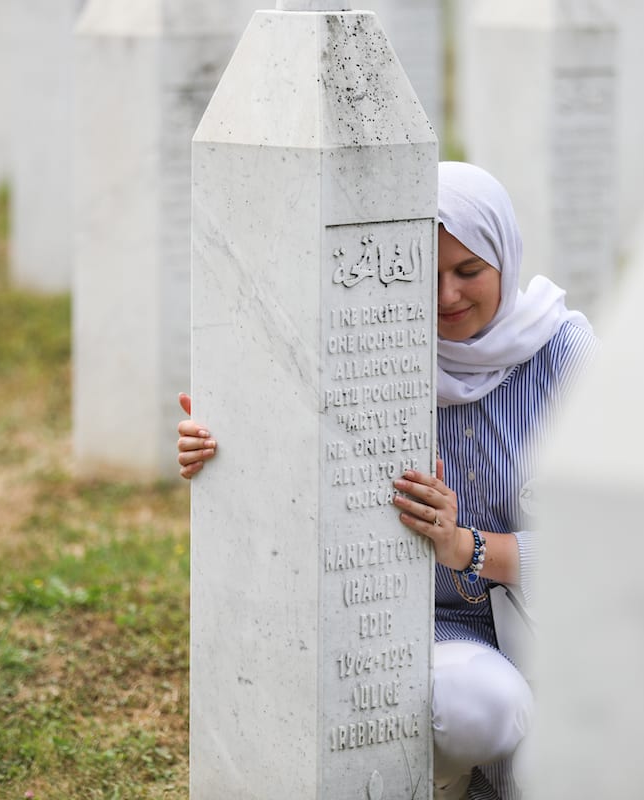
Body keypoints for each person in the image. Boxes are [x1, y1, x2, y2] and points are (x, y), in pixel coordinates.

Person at [177, 162, 596, 800]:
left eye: (468, 271)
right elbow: (288, 469)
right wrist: (222, 451)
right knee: (481, 706)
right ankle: (438, 781)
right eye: (424, 275)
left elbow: (610, 545)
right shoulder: (364, 349)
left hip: (552, 618)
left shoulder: (564, 351)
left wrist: (469, 547)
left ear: (505, 259)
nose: (446, 297)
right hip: (414, 626)